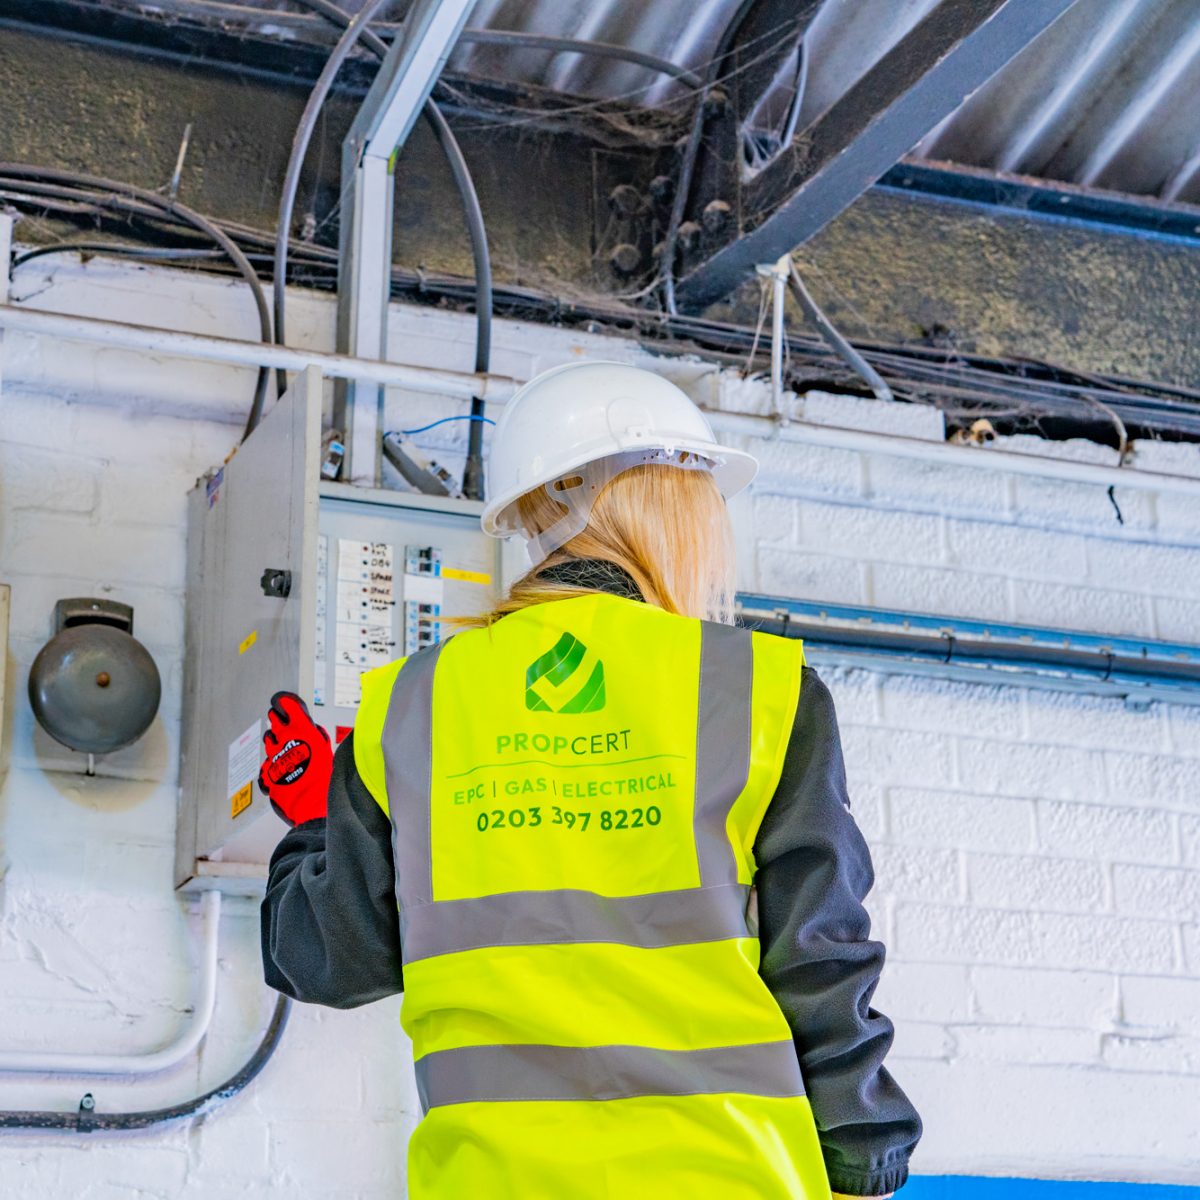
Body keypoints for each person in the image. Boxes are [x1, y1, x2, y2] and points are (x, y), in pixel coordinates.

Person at [260, 361, 921, 1199]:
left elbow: (324, 960)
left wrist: (318, 816)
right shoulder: (754, 691)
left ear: (532, 516)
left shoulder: (411, 711)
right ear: (670, 508)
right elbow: (817, 957)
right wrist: (865, 1155)